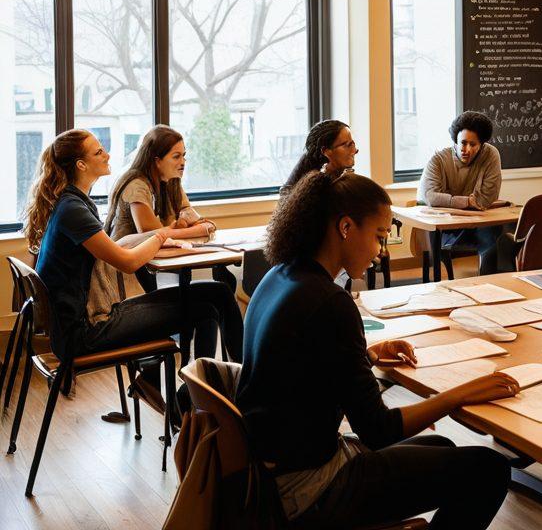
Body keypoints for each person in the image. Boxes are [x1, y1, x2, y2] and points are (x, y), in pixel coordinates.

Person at [237, 170, 514, 528]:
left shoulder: (281, 275)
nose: (382, 251)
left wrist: (364, 355)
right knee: (488, 469)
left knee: (443, 448)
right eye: (380, 236)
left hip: (270, 470)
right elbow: (378, 430)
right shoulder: (331, 302)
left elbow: (299, 367)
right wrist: (457, 396)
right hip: (308, 488)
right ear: (346, 227)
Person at [24, 129, 243, 413]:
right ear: (81, 165)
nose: (107, 154)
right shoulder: (73, 209)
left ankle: (207, 394)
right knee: (207, 307)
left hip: (87, 320)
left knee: (217, 292)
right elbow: (127, 262)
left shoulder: (73, 202)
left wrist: (165, 234)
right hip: (86, 333)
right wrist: (164, 236)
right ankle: (214, 396)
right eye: (98, 152)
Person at [104, 124, 236, 293]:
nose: (183, 162)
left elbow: (207, 226)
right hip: (126, 277)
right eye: (176, 157)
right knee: (217, 294)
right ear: (157, 160)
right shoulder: (136, 186)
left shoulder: (172, 182)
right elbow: (153, 236)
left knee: (219, 290)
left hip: (151, 267)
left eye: (184, 156)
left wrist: (175, 229)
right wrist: (182, 228)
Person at [419, 111, 504, 275]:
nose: (467, 149)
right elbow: (431, 197)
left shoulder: (491, 154)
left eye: (473, 145)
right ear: (455, 141)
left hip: (476, 221)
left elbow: (487, 198)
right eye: (463, 143)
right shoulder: (438, 160)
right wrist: (467, 202)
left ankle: (490, 283)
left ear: (482, 145)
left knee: (499, 234)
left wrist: (450, 200)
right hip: (443, 225)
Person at [281, 119, 358, 193]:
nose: (355, 150)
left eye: (353, 144)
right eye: (348, 145)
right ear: (326, 151)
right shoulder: (318, 192)